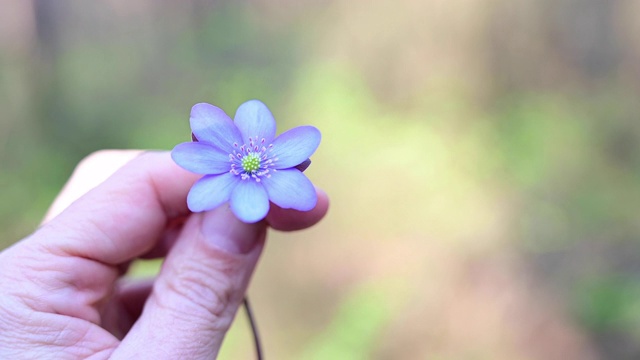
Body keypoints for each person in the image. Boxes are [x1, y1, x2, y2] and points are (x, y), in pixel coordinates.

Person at [0, 150, 329, 359]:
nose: (251, 161)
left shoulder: (265, 168)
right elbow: (201, 196)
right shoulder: (223, 171)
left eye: (254, 160)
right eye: (248, 160)